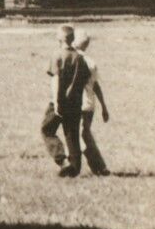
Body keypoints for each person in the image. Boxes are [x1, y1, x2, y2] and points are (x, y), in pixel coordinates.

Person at [41, 23, 91, 176]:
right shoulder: (79, 58)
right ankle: (74, 169)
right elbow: (85, 78)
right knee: (72, 134)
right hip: (75, 102)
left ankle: (62, 160)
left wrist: (56, 102)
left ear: (60, 38)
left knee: (47, 130)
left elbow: (55, 79)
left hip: (59, 101)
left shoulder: (57, 55)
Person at [74, 28, 110, 176]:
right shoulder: (91, 61)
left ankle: (98, 167)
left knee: (83, 136)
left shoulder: (74, 59)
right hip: (89, 104)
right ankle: (98, 167)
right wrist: (104, 107)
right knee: (84, 135)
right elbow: (96, 85)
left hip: (78, 104)